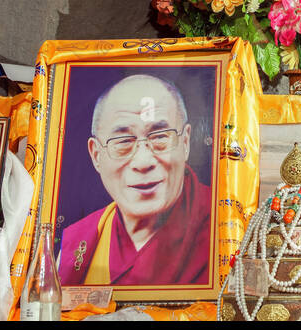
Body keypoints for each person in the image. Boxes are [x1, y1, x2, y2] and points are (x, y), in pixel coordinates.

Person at [58, 73, 211, 287]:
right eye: (122, 141)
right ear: (96, 155)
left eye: (160, 137)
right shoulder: (78, 241)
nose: (143, 161)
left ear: (185, 142)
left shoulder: (220, 225)